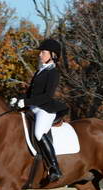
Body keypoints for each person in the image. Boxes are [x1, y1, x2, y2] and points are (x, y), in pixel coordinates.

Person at [10, 39, 68, 182]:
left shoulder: (53, 72)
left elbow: (47, 96)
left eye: (43, 52)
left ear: (52, 55)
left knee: (38, 133)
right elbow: (30, 93)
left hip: (45, 109)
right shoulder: (39, 71)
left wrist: (27, 102)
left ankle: (55, 168)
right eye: (40, 52)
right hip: (33, 107)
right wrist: (18, 99)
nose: (40, 55)